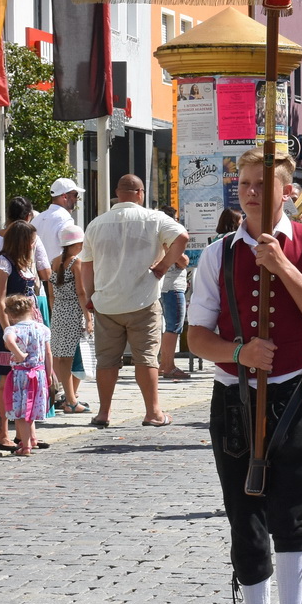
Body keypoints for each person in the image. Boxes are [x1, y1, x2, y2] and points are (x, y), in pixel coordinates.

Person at [184, 144, 302, 604]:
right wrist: (237, 353)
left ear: (287, 191)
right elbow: (196, 336)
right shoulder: (218, 254)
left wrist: (282, 266)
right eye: (244, 184)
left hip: (292, 395)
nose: (251, 193)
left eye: (262, 184)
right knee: (244, 519)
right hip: (234, 398)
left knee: (291, 516)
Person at [77, 175, 189, 430]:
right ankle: (153, 412)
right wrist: (162, 267)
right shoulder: (154, 218)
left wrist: (91, 298)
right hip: (143, 299)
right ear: (140, 192)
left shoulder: (96, 224)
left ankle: (104, 413)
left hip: (107, 302)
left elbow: (87, 266)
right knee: (146, 358)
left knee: (107, 360)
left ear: (117, 193)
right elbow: (181, 237)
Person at [0, 221, 43, 449]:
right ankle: (1, 434)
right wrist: (7, 330)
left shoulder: (25, 262)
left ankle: (25, 434)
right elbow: (0, 299)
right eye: (31, 240)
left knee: (28, 380)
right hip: (9, 327)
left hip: (28, 326)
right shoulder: (3, 263)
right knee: (6, 381)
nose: (34, 244)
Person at [1, 293, 53, 457]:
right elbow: (49, 353)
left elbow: (9, 340)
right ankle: (32, 439)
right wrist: (49, 373)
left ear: (9, 314)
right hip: (39, 373)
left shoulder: (13, 329)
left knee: (21, 411)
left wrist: (18, 353)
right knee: (32, 408)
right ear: (32, 309)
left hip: (21, 375)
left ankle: (26, 447)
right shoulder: (42, 328)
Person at [49, 222, 91, 416]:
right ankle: (71, 400)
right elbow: (81, 293)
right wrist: (88, 318)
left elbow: (51, 293)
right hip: (74, 311)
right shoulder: (76, 263)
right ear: (76, 244)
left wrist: (54, 311)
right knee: (75, 357)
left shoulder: (55, 261)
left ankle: (68, 397)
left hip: (59, 311)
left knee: (62, 357)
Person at [155, 207, 192, 383]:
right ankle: (168, 365)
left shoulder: (157, 234)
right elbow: (183, 261)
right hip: (172, 286)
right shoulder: (168, 236)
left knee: (168, 326)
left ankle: (164, 364)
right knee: (174, 326)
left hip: (163, 286)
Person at [34, 178, 81, 268]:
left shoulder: (37, 219)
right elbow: (71, 250)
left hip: (39, 275)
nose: (76, 199)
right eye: (75, 195)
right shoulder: (65, 219)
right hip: (57, 275)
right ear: (65, 196)